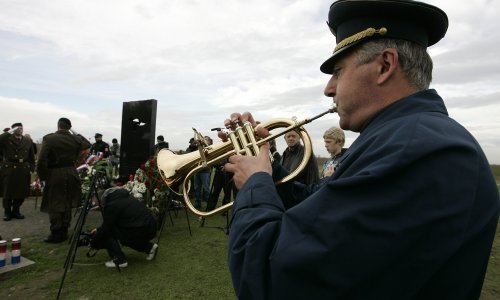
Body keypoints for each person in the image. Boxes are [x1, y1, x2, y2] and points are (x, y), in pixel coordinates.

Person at [220, 1, 500, 299]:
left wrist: (254, 184)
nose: (328, 89)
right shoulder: (399, 140)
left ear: (384, 66)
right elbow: (321, 208)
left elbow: (272, 277)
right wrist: (266, 164)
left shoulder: (417, 151)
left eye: (338, 72)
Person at [37, 118, 91, 243]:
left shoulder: (49, 139)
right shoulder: (75, 139)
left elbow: (41, 161)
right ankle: (64, 231)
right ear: (69, 127)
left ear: (58, 126)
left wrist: (44, 177)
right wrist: (74, 132)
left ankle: (56, 233)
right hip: (71, 172)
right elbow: (87, 144)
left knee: (55, 203)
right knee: (67, 202)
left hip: (55, 173)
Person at [89, 187, 158, 268]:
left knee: (109, 232)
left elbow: (107, 227)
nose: (96, 205)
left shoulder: (112, 205)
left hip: (142, 228)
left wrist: (94, 242)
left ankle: (120, 260)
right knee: (124, 239)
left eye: (97, 202)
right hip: (149, 226)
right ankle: (149, 248)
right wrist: (98, 229)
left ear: (101, 199)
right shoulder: (121, 197)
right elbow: (112, 221)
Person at [0, 123, 35, 221]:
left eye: (21, 128)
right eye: (18, 128)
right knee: (7, 191)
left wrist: (31, 168)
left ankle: (16, 210)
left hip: (23, 168)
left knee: (21, 191)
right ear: (13, 129)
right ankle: (7, 212)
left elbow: (31, 156)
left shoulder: (27, 140)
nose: (20, 130)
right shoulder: (7, 139)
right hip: (9, 167)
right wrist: (9, 132)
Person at [193, 136, 213, 209]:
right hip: (197, 170)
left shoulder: (210, 148)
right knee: (197, 188)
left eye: (206, 139)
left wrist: (206, 145)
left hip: (205, 171)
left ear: (209, 142)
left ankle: (209, 204)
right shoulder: (199, 148)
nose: (204, 140)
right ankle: (198, 203)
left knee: (206, 188)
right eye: (203, 139)